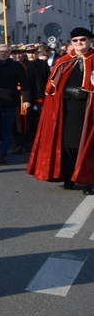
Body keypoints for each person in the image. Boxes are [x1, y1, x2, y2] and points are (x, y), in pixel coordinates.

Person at [27, 27, 94, 194]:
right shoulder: (64, 61)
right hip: (68, 109)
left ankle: (87, 181)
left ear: (90, 41)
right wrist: (68, 91)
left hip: (90, 109)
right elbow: (51, 88)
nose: (79, 43)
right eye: (76, 40)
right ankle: (69, 176)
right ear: (72, 43)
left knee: (88, 145)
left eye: (83, 39)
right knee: (68, 145)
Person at [0, 44, 32, 163]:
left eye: (6, 52)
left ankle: (2, 154)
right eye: (1, 51)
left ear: (10, 53)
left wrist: (26, 100)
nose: (3, 53)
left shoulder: (16, 66)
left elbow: (24, 83)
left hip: (10, 101)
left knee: (7, 129)